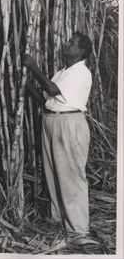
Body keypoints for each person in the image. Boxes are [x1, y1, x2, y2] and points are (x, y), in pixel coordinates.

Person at [22, 32, 99, 246]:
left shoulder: (81, 73)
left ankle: (79, 231)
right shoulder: (61, 72)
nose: (67, 44)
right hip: (51, 120)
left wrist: (32, 66)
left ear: (82, 50)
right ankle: (59, 219)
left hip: (69, 123)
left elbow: (52, 89)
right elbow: (45, 100)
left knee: (72, 175)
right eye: (68, 41)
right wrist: (26, 83)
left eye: (72, 43)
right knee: (53, 172)